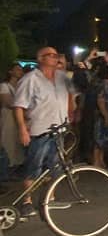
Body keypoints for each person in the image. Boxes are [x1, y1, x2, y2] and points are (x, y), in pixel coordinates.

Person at [12, 47, 74, 218]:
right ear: (41, 58)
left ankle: (49, 198)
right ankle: (27, 201)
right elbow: (19, 105)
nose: (55, 58)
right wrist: (22, 129)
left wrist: (71, 112)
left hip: (59, 128)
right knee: (34, 166)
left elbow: (71, 95)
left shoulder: (62, 78)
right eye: (51, 56)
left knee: (54, 166)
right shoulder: (30, 79)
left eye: (57, 55)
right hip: (40, 130)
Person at [0, 63, 26, 177]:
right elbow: (7, 102)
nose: (20, 72)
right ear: (10, 72)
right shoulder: (4, 86)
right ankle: (5, 171)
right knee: (8, 142)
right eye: (17, 69)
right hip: (8, 117)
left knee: (17, 144)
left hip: (19, 116)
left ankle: (14, 169)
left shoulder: (20, 87)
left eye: (21, 70)